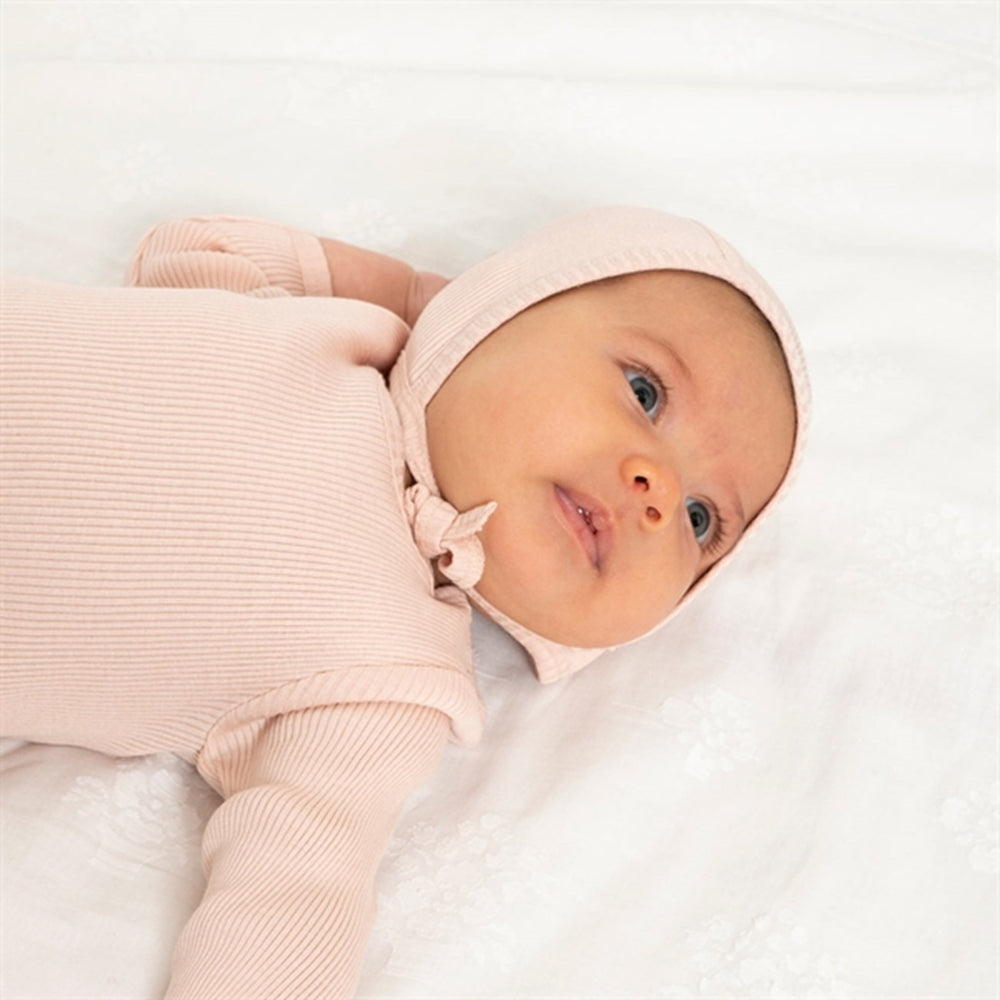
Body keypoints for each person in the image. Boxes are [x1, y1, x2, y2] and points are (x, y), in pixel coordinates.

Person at [0, 206, 809, 998]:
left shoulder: (386, 678)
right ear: (506, 305)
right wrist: (431, 307)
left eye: (701, 520)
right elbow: (191, 247)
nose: (657, 490)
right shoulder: (331, 334)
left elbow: (295, 887)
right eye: (644, 391)